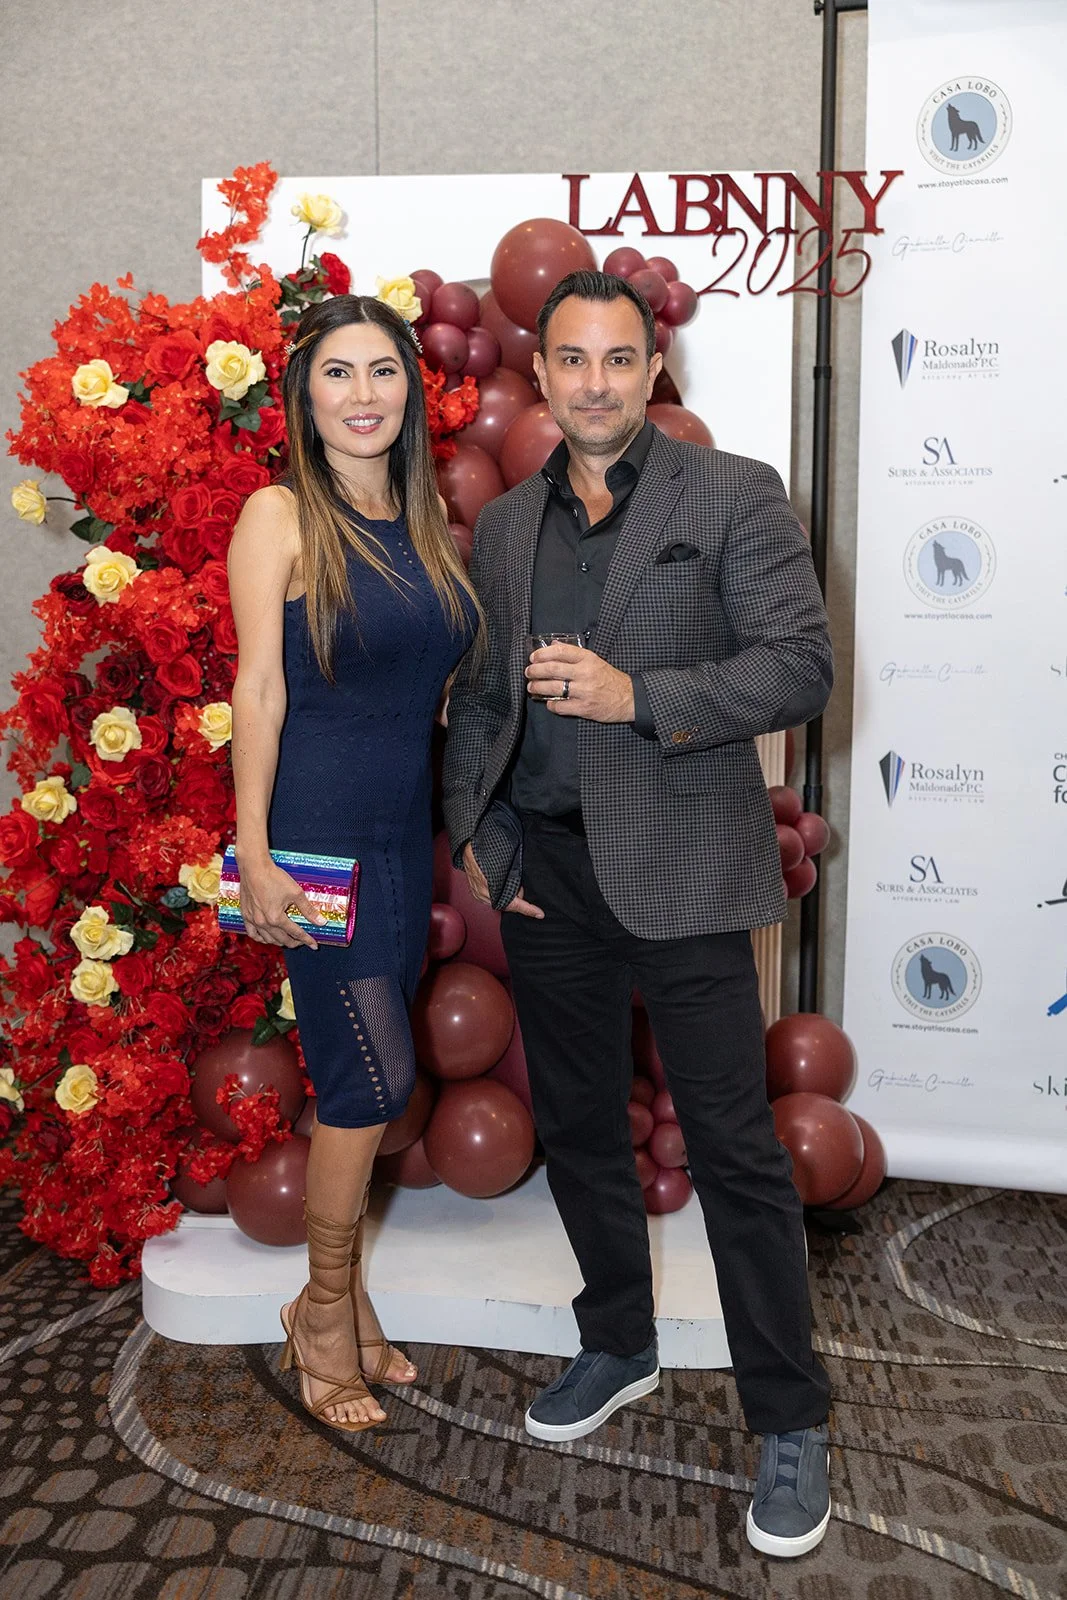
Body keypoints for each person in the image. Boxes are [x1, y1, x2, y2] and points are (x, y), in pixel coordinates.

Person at [443, 270, 834, 1557]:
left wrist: (638, 697)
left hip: (683, 875)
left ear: (651, 364)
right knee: (577, 1127)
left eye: (620, 358)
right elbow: (484, 706)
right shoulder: (504, 529)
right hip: (548, 881)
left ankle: (789, 1416)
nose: (596, 382)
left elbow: (798, 665)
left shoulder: (731, 495)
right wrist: (485, 847)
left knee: (731, 1151)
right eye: (572, 360)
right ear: (541, 371)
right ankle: (614, 1338)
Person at [228, 295, 479, 1434]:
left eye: (384, 371)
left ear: (409, 392)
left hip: (399, 833)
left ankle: (343, 1304)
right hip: (314, 837)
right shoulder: (279, 513)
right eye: (339, 373)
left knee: (376, 1079)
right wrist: (252, 849)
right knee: (365, 1080)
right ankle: (322, 1314)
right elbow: (260, 692)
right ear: (304, 394)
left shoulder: (422, 518)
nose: (364, 393)